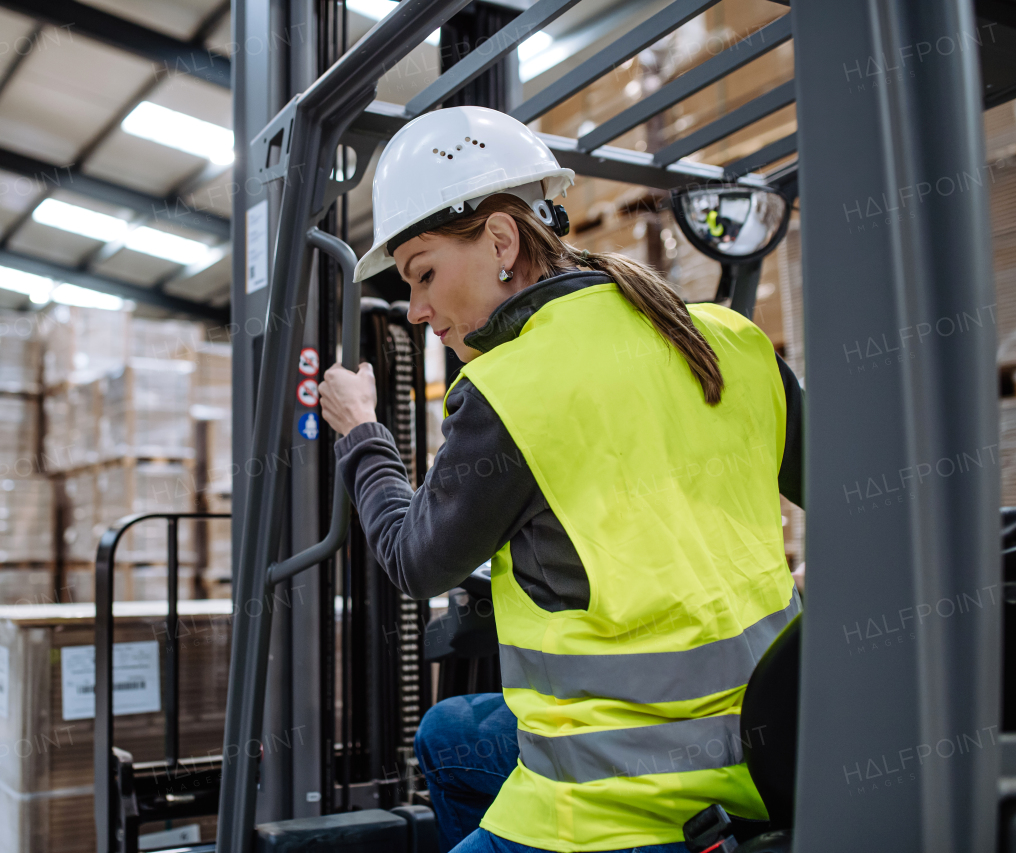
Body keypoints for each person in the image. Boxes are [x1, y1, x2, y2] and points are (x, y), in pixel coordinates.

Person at [317, 106, 804, 853]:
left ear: (502, 241)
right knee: (448, 733)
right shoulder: (732, 340)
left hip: (614, 797)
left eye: (423, 274)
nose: (415, 311)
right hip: (767, 749)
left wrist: (361, 433)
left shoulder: (513, 388)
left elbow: (414, 559)